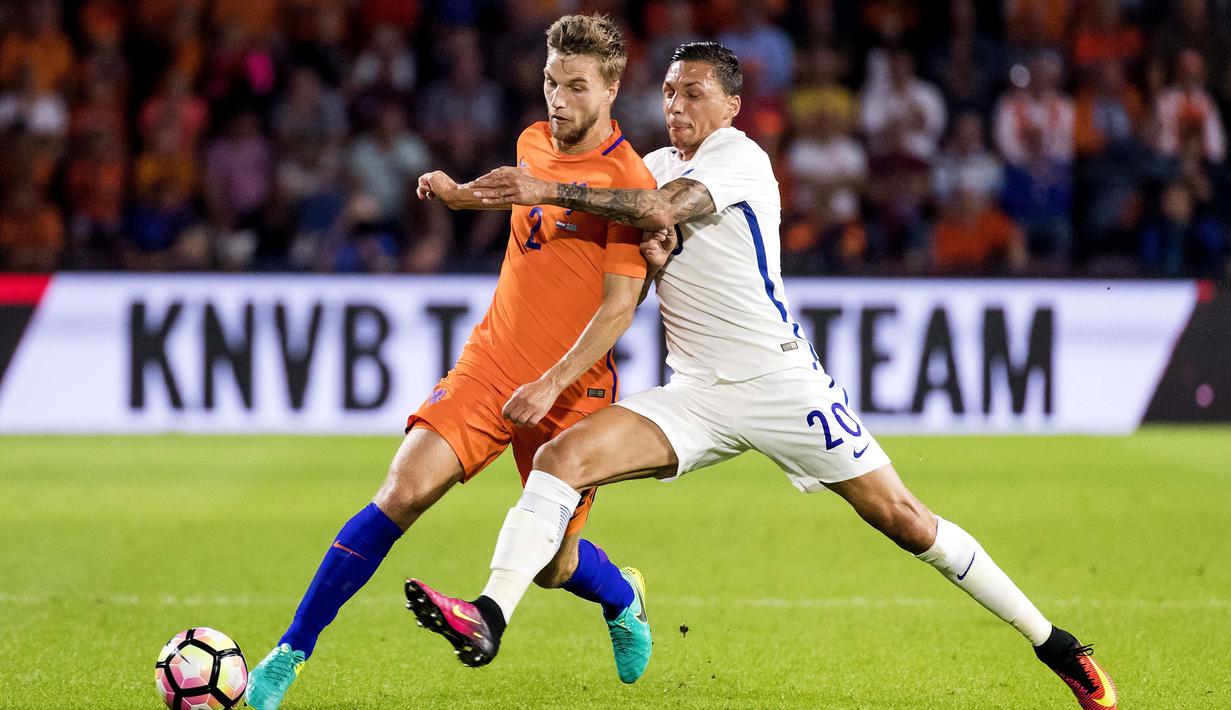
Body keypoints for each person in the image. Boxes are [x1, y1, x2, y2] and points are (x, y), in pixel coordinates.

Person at [407, 42, 1119, 710]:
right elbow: (630, 249)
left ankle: (1055, 646)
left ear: (731, 106)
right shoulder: (648, 165)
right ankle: (490, 616)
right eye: (667, 92)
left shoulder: (738, 158)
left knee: (903, 520)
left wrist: (544, 189)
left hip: (781, 385)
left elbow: (658, 210)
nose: (676, 106)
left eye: (693, 93)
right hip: (695, 393)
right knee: (562, 461)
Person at [244, 15, 658, 709]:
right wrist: (459, 192)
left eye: (576, 87)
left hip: (571, 389)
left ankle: (621, 597)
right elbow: (518, 201)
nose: (558, 100)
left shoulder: (628, 182)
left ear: (612, 88)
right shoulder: (533, 138)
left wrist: (551, 380)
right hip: (491, 362)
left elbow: (619, 308)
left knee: (554, 566)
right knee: (402, 489)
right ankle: (290, 651)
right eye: (550, 81)